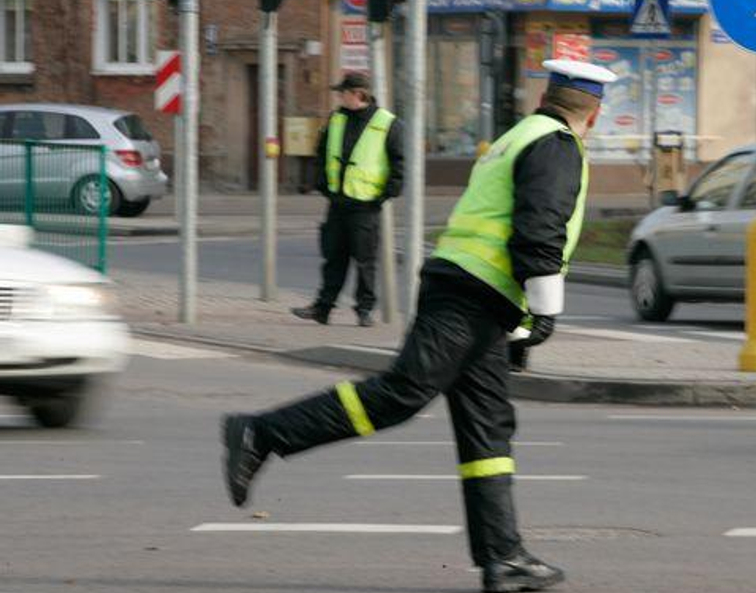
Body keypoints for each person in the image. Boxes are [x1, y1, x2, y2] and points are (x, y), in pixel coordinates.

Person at [222, 59, 616, 593]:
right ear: (595, 111)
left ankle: (504, 557)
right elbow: (538, 229)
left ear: (548, 96)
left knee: (488, 427)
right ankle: (261, 433)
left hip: (473, 294)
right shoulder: (557, 145)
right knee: (400, 394)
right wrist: (545, 310)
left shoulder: (519, 134)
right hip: (472, 297)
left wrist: (519, 319)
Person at [291, 71, 404, 328]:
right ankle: (323, 308)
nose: (339, 97)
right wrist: (323, 186)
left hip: (366, 206)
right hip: (338, 203)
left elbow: (399, 164)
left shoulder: (387, 123)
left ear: (358, 95)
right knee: (333, 257)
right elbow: (321, 154)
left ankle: (364, 311)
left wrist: (384, 195)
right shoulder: (337, 119)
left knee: (365, 261)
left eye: (343, 93)